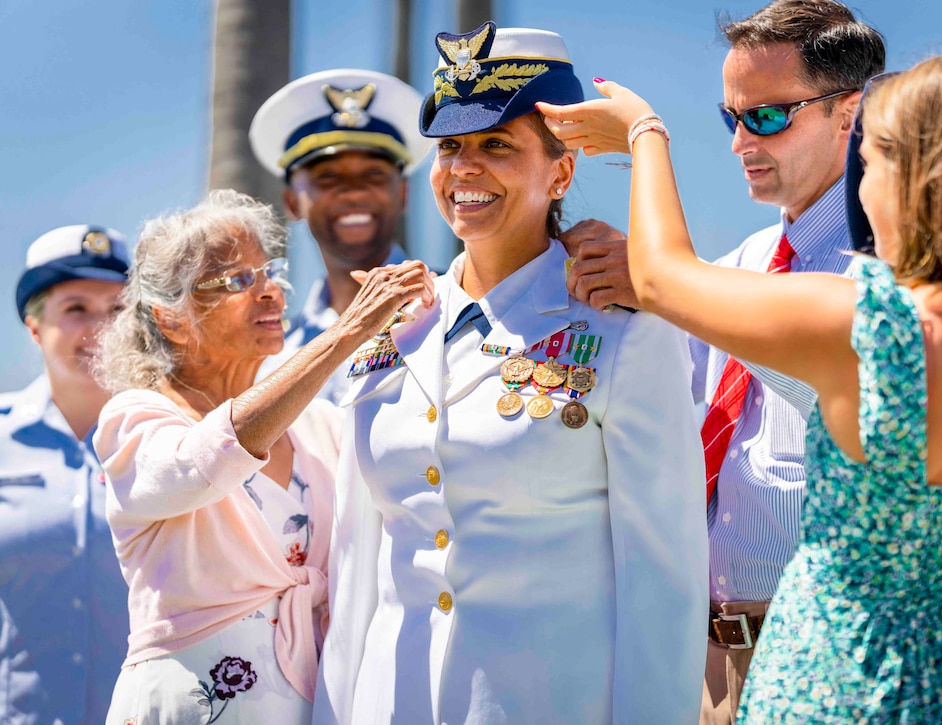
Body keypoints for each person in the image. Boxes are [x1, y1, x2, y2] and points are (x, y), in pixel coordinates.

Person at [542, 49, 942, 723]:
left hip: (842, 686)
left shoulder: (866, 321)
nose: (863, 190)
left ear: (917, 176)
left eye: (874, 165)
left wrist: (642, 132)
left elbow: (659, 277)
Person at [314, 22, 708, 724]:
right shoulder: (390, 327)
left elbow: (663, 577)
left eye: (497, 144)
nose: (465, 168)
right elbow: (355, 572)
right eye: (451, 147)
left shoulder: (623, 328)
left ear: (561, 170)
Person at [557, 2, 885, 721]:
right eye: (729, 117)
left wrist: (646, 147)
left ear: (850, 113)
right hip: (707, 666)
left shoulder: (881, 274)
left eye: (766, 117)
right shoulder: (739, 267)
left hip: (833, 662)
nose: (740, 142)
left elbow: (674, 283)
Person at [91, 190, 433, 724]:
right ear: (172, 318)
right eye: (237, 281)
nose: (271, 293)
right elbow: (197, 466)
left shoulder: (322, 425)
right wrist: (345, 334)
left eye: (269, 272)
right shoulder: (134, 418)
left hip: (315, 700)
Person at [0, 225, 131, 724]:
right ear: (35, 328)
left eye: (117, 311)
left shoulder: (171, 440)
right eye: (76, 309)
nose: (99, 328)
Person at [250, 69, 432, 404]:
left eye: (374, 174)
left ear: (403, 194)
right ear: (292, 202)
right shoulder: (271, 359)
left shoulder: (457, 309)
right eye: (328, 176)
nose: (353, 191)